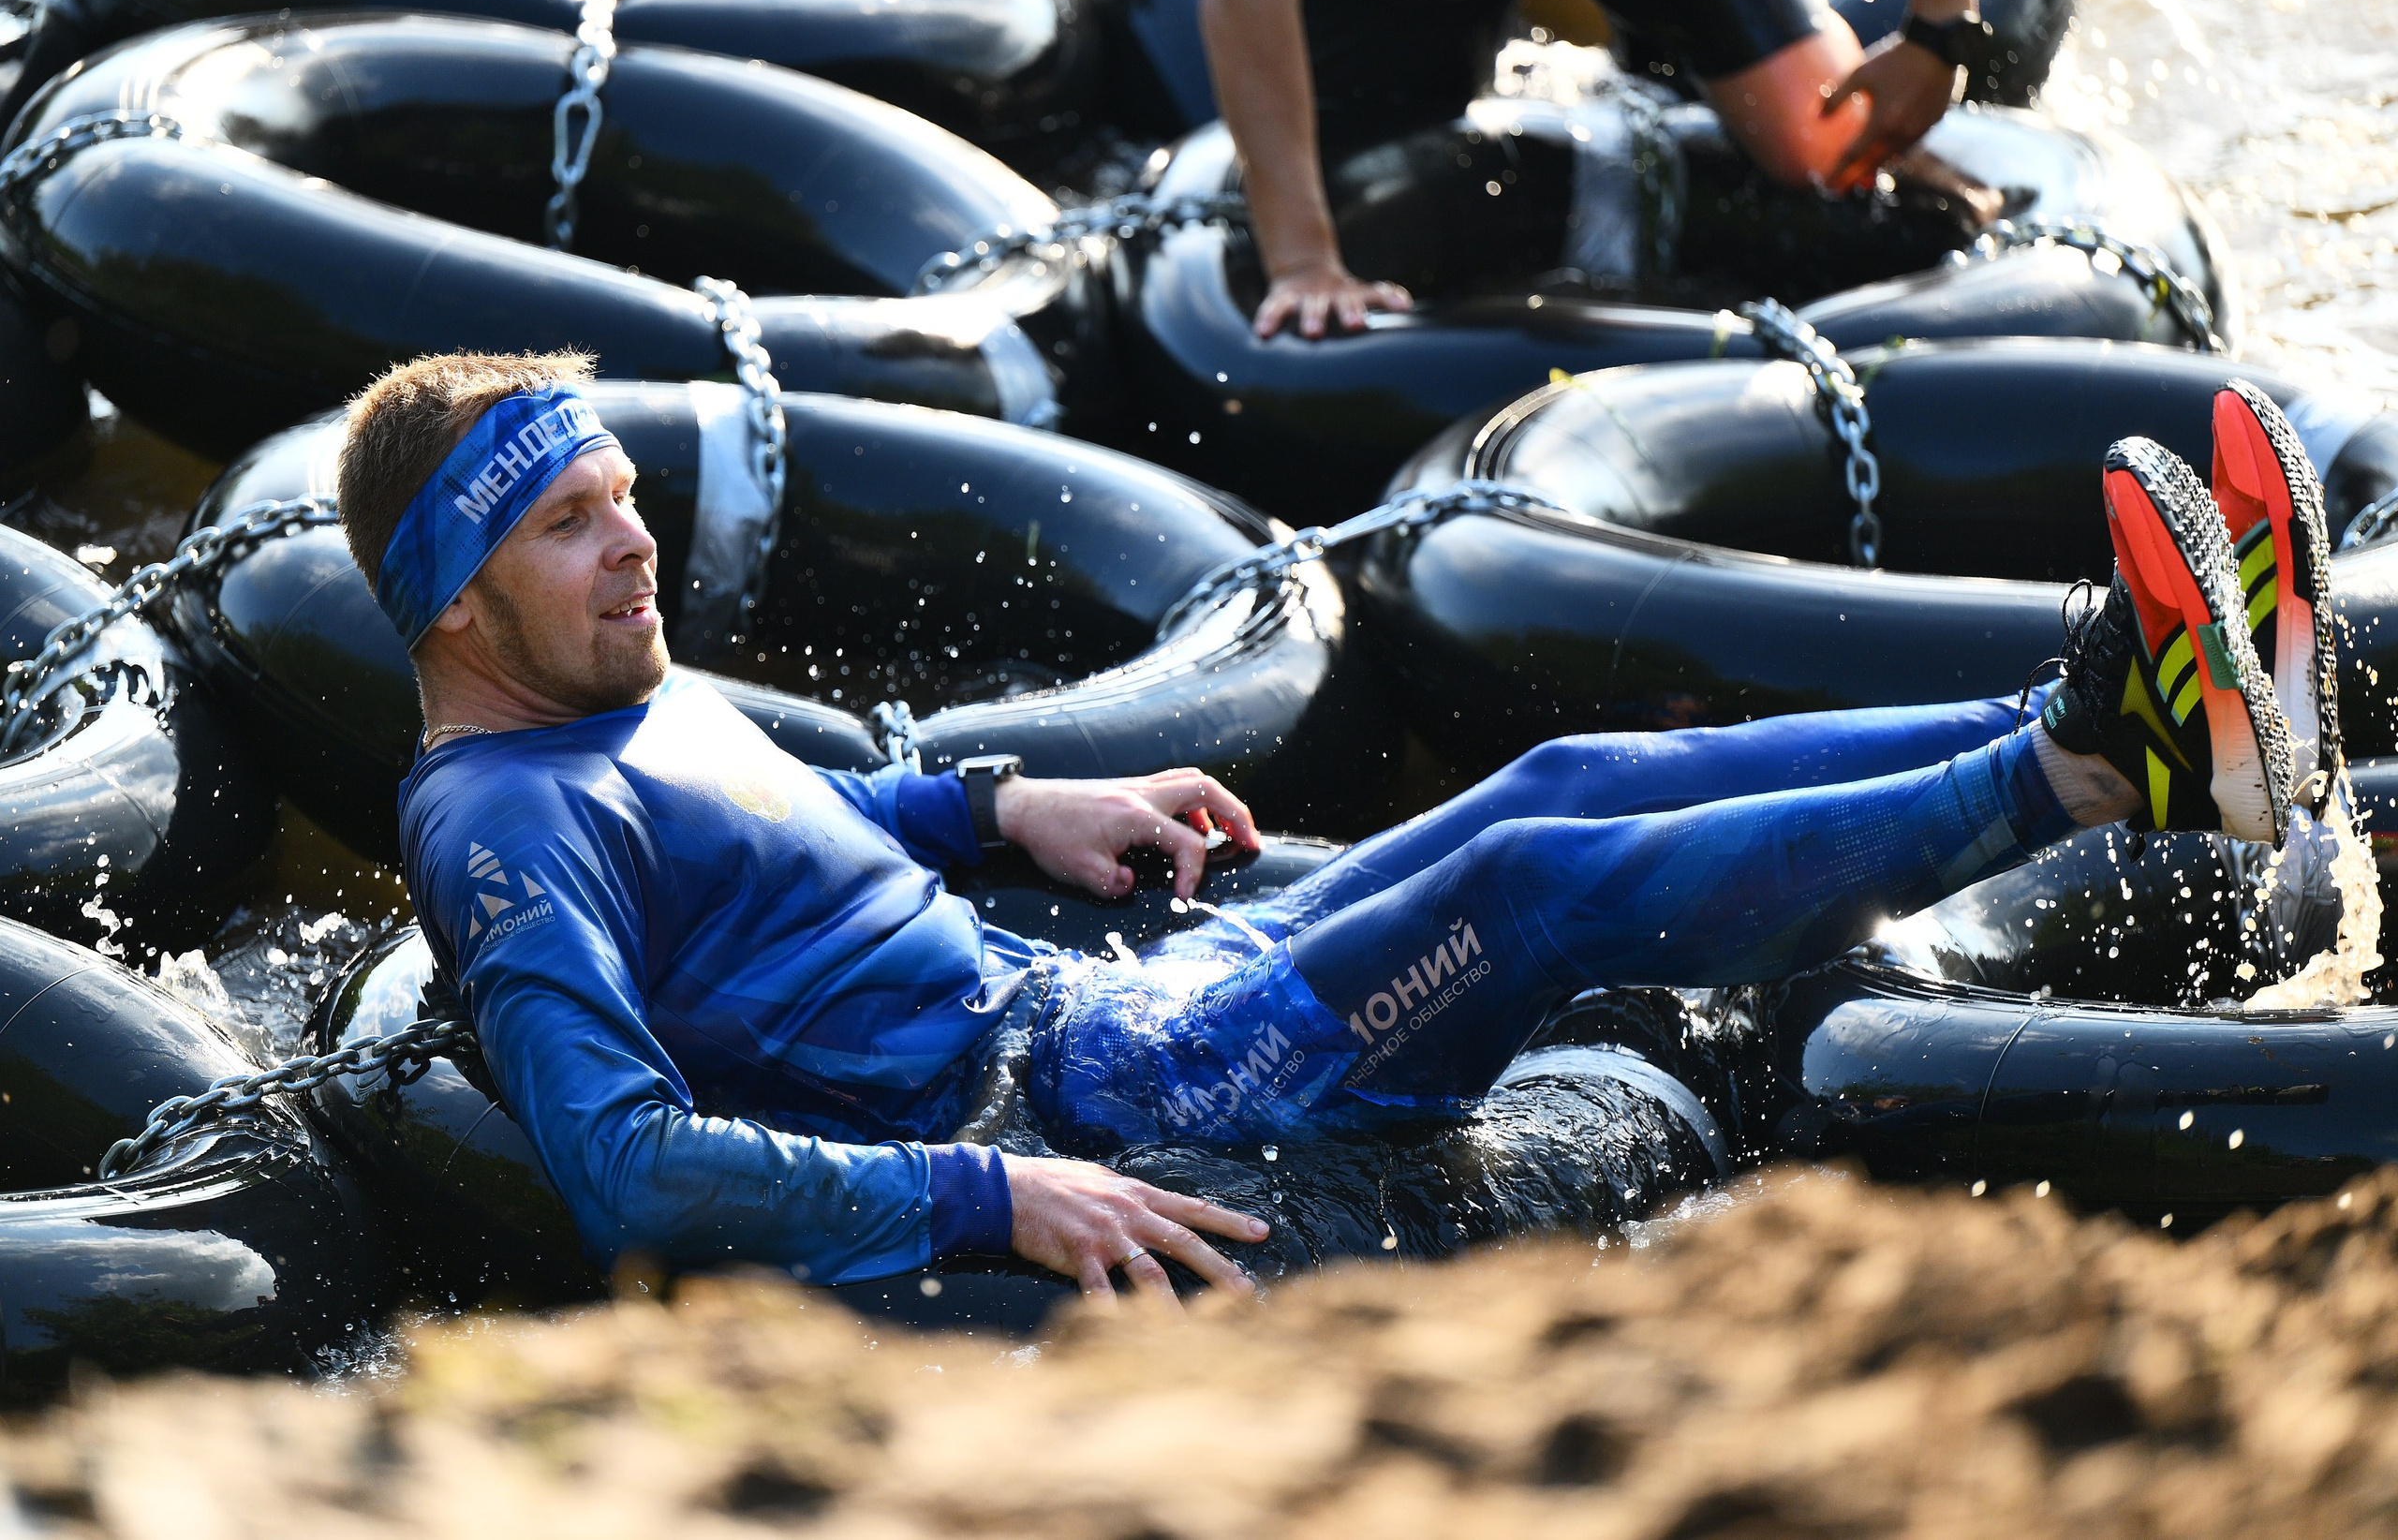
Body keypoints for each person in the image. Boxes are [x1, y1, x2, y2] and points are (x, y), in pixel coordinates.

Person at [341, 353, 2330, 1304]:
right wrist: (986, 1198)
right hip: (1099, 1093)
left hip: (1089, 997)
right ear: (452, 601)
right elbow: (617, 1158)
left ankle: (2093, 695)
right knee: (1537, 888)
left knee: (1543, 787)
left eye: (621, 492)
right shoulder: (497, 832)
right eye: (567, 522)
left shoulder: (614, 706)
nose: (633, 541)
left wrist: (1002, 797)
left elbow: (766, 824)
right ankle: (2096, 774)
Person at [1202, 0, 1990, 338]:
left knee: (1825, 150)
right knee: (1358, 205)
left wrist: (1938, 27)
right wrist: (1305, 259)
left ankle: (1682, 81)